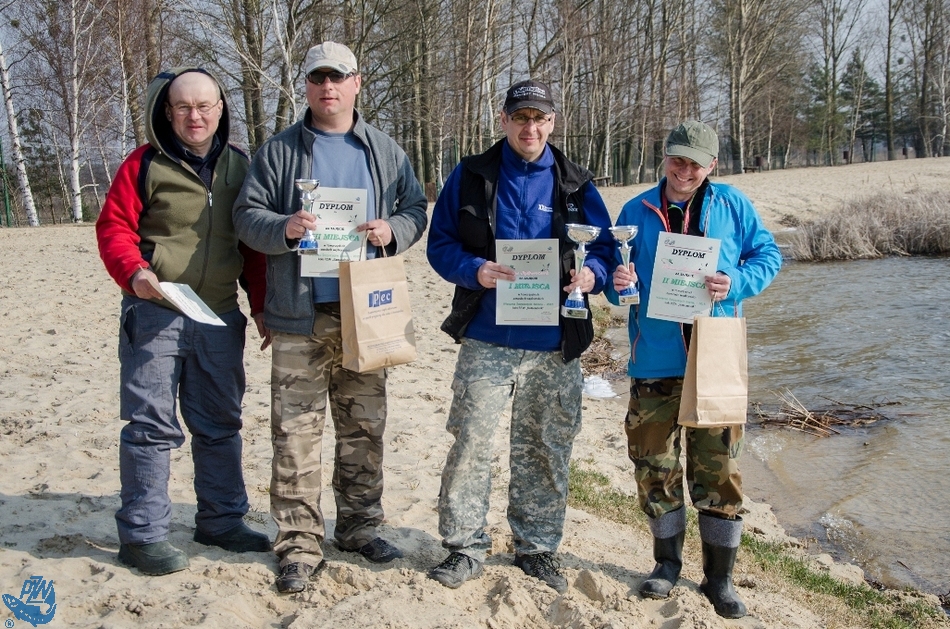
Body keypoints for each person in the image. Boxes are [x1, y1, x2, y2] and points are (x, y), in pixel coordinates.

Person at [232, 41, 428, 594]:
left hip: (366, 313)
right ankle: (297, 542)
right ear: (307, 87)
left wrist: (394, 231)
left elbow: (416, 208)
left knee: (364, 428)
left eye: (338, 77)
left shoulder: (384, 151)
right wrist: (284, 229)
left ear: (356, 83)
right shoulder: (279, 152)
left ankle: (360, 527)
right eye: (318, 78)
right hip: (298, 316)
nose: (328, 87)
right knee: (294, 435)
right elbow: (246, 216)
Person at [425, 80, 614, 593]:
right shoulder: (470, 175)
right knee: (471, 445)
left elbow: (605, 250)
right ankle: (464, 546)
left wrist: (591, 275)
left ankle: (537, 548)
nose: (530, 128)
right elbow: (438, 245)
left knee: (546, 448)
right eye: (520, 118)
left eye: (540, 119)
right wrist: (474, 270)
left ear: (552, 122)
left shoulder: (577, 183)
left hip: (554, 344)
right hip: (487, 338)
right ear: (504, 120)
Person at [95, 67, 271, 576]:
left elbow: (252, 248)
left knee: (220, 424)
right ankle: (143, 535)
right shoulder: (143, 164)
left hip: (218, 316)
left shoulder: (241, 167)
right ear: (167, 112)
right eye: (183, 107)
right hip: (156, 312)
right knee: (150, 427)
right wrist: (135, 275)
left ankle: (221, 520)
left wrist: (259, 308)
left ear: (221, 110)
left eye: (205, 106)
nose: (195, 116)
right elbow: (113, 228)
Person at [607, 120, 781, 618]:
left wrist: (737, 281)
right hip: (653, 359)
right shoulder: (634, 210)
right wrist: (619, 282)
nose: (683, 171)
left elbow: (769, 254)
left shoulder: (733, 205)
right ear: (664, 158)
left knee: (719, 470)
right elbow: (616, 282)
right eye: (675, 159)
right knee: (654, 465)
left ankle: (719, 578)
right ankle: (666, 566)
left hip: (715, 356)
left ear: (712, 166)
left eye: (693, 163)